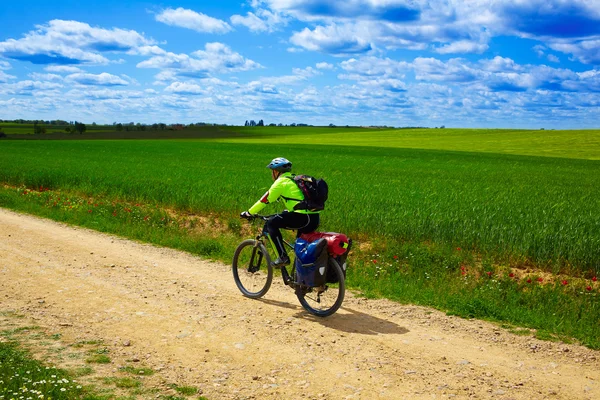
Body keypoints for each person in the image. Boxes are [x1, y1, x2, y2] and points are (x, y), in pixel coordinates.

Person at [240, 157, 320, 266]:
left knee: (271, 223)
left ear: (276, 171)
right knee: (300, 248)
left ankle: (283, 256)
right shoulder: (295, 179)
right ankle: (300, 278)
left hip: (302, 218)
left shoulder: (281, 182)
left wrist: (249, 212)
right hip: (314, 218)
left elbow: (264, 200)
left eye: (272, 171)